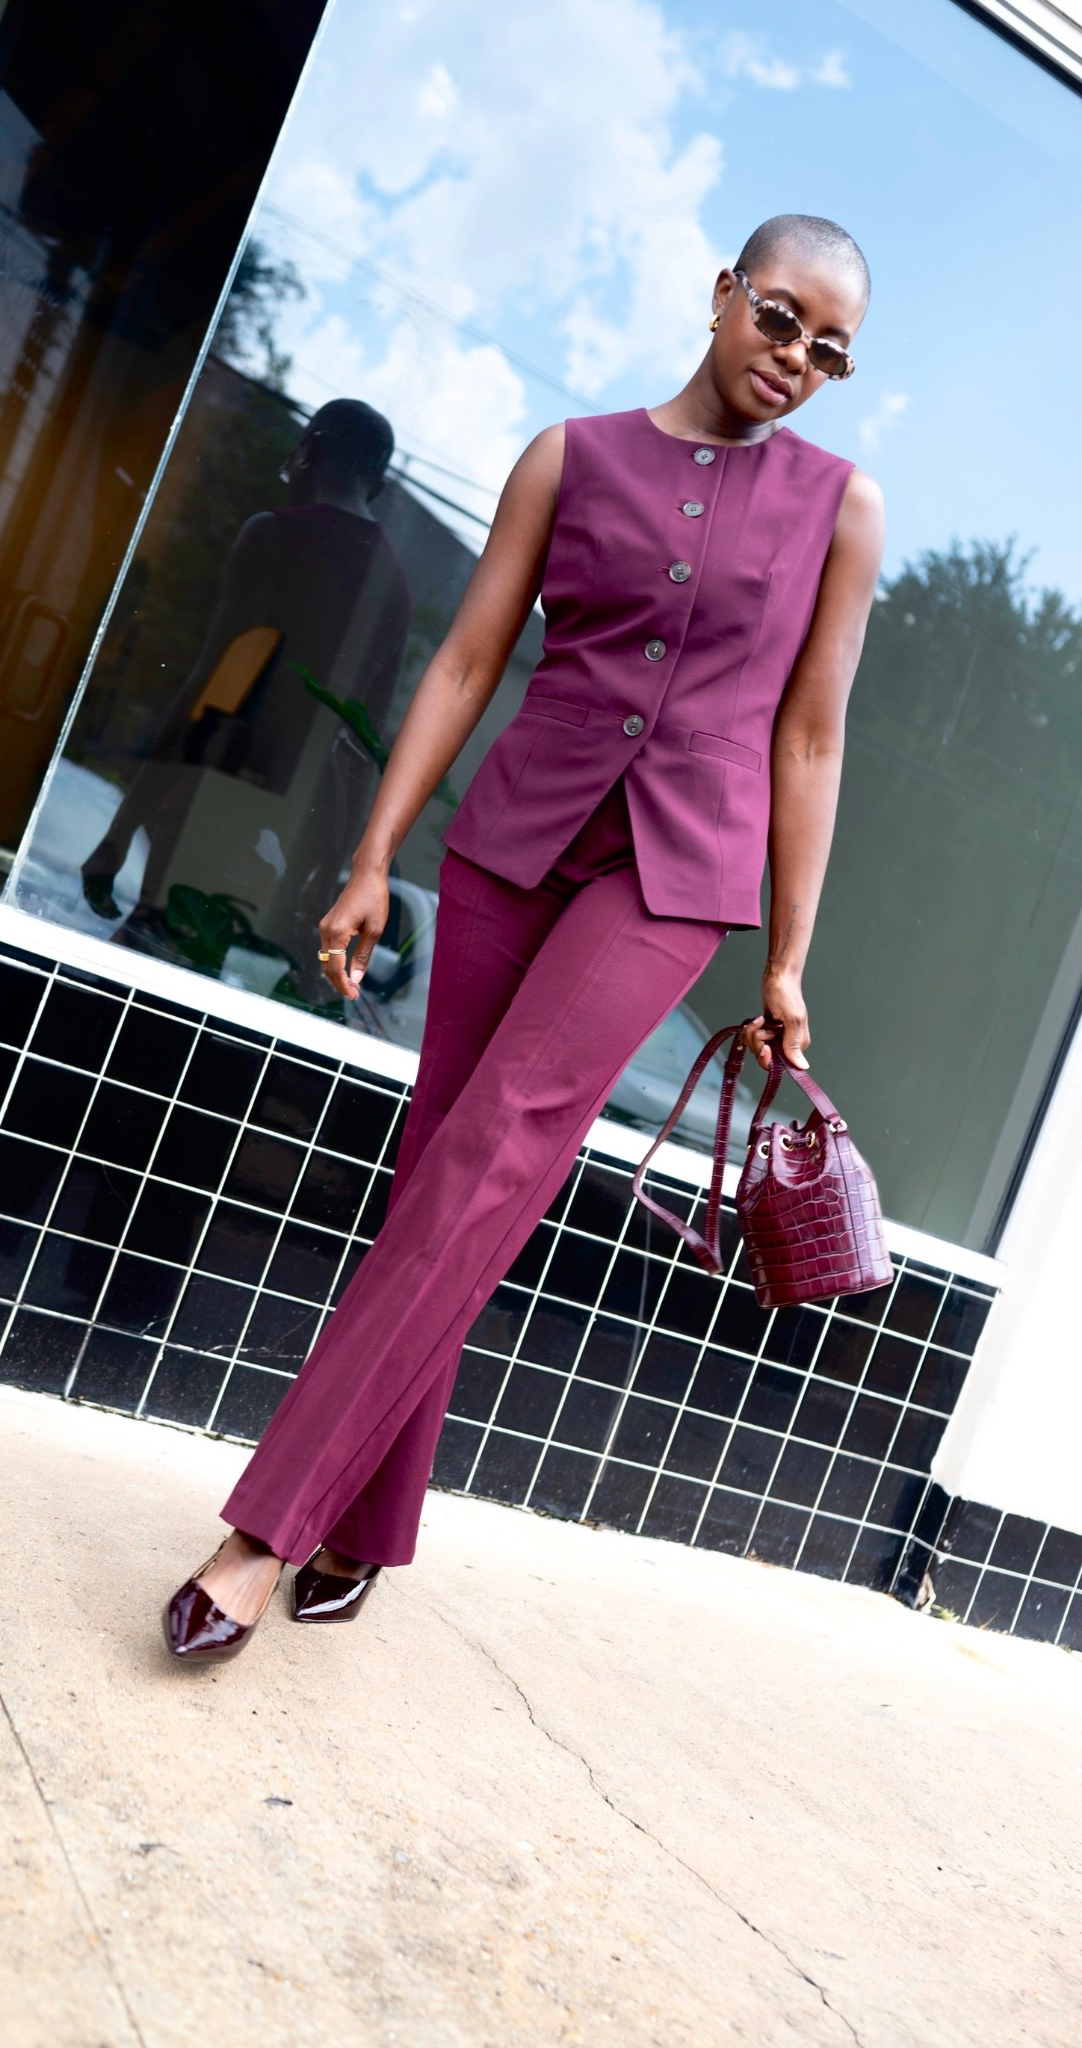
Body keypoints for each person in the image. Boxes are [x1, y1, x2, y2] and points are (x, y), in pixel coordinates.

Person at [165, 214, 885, 1661]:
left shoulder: (840, 507)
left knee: (497, 1147)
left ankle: (265, 1530)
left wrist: (787, 959)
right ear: (719, 294)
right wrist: (374, 858)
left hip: (671, 882)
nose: (795, 358)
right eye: (778, 317)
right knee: (447, 1160)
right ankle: (371, 1525)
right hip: (512, 847)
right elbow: (468, 658)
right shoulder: (569, 455)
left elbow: (809, 741)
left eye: (829, 349)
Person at [82, 398, 410, 996]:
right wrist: (335, 865)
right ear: (379, 484)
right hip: (305, 826)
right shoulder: (394, 582)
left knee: (143, 957)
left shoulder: (277, 534)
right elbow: (368, 740)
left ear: (309, 451)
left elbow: (211, 681)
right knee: (205, 987)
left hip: (219, 788)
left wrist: (120, 830)